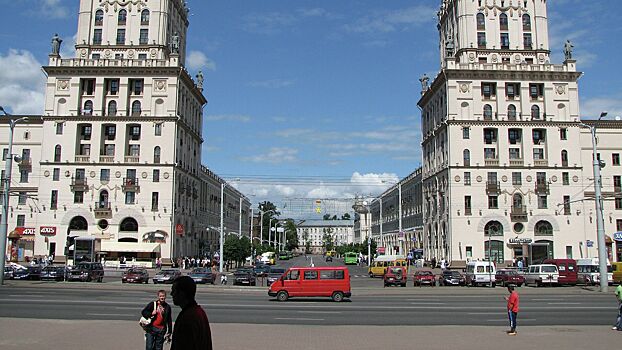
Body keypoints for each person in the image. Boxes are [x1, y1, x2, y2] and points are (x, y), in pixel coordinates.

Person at [170, 276, 213, 350]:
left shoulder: (188, 317)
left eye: (174, 290)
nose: (171, 294)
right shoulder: (199, 312)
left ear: (182, 293)